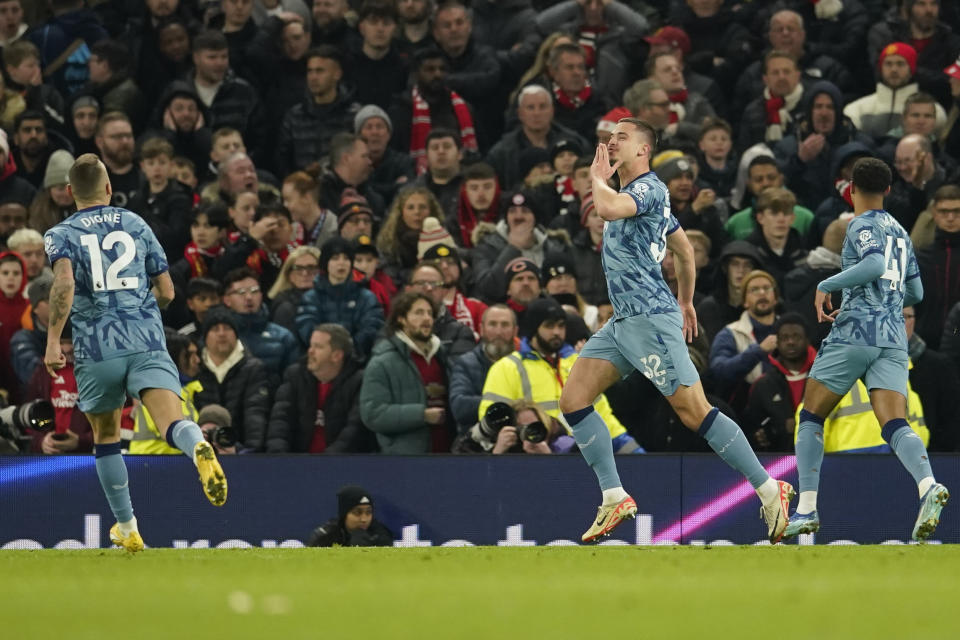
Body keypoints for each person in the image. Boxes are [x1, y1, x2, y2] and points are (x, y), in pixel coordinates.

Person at [558, 118, 794, 544]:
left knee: (694, 412)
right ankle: (614, 495)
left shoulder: (647, 187)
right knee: (574, 400)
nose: (612, 144)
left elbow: (608, 210)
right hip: (624, 322)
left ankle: (767, 487)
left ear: (644, 150)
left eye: (622, 138)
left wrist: (595, 180)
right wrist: (685, 300)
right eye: (610, 139)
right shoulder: (639, 195)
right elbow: (683, 249)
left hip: (649, 320)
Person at [41, 154, 227, 554]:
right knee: (171, 421)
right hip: (144, 340)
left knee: (106, 438)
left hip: (97, 348)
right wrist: (143, 311)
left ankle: (128, 528)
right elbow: (168, 291)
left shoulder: (60, 234)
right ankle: (197, 446)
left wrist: (54, 339)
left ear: (71, 192)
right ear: (109, 188)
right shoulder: (136, 223)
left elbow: (64, 284)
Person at [783, 157, 948, 542]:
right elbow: (917, 293)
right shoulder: (902, 233)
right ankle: (927, 486)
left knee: (810, 416)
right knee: (894, 424)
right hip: (893, 338)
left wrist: (830, 284)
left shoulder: (861, 224)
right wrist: (886, 301)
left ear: (850, 188)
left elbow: (873, 264)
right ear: (888, 190)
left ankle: (806, 509)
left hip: (855, 332)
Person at [360, 291, 452, 453]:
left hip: (446, 455)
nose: (426, 318)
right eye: (418, 313)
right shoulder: (382, 362)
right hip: (405, 460)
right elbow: (373, 414)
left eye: (430, 313)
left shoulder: (442, 356)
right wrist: (421, 415)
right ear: (401, 319)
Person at [267, 324, 374, 453]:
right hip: (296, 462)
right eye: (311, 345)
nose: (310, 351)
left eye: (318, 347)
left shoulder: (360, 382)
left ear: (337, 355)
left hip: (340, 465)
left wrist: (325, 463)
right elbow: (280, 420)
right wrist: (279, 457)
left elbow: (354, 431)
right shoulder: (295, 375)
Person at [742, 313, 817, 451]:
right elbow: (751, 429)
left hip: (823, 456)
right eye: (785, 338)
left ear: (807, 340)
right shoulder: (762, 385)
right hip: (781, 464)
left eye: (796, 336)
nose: (790, 342)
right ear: (776, 342)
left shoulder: (825, 378)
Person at [449, 304, 516, 432]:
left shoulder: (526, 364)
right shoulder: (465, 363)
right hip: (475, 443)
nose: (498, 332)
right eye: (492, 324)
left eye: (505, 325)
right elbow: (459, 406)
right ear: (481, 329)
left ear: (515, 331)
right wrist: (509, 404)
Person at [306, 485, 394, 547]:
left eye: (368, 512)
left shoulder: (380, 535)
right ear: (344, 514)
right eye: (357, 513)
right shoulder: (326, 537)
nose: (364, 519)